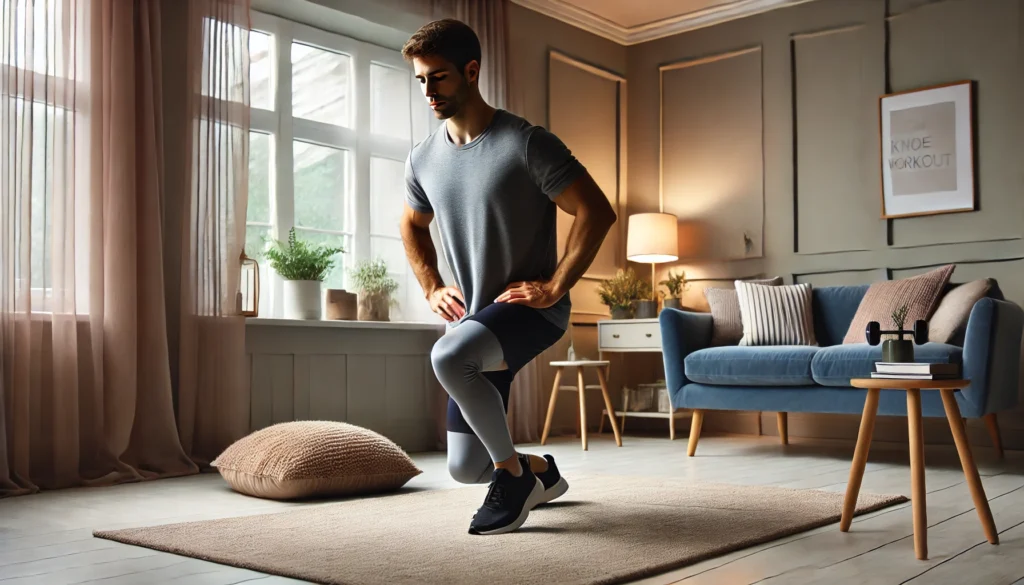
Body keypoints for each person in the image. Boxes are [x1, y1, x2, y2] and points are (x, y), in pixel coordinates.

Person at [399, 18, 616, 536]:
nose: (429, 90)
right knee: (464, 467)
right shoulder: (422, 158)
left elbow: (596, 211)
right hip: (475, 319)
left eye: (439, 77)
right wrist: (431, 286)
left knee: (448, 357)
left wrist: (555, 286)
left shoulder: (526, 143)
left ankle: (514, 480)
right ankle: (539, 472)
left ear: (471, 71)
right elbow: (412, 225)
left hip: (528, 310)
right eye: (421, 80)